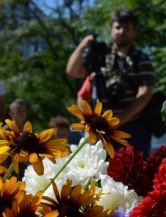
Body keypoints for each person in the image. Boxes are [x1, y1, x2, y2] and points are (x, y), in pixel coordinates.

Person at [66, 9, 155, 156]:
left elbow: (145, 93)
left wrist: (121, 118)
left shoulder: (141, 58)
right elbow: (73, 71)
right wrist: (83, 45)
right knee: (101, 173)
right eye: (118, 27)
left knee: (135, 173)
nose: (122, 32)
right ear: (111, 30)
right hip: (101, 127)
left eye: (126, 28)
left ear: (134, 32)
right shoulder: (100, 55)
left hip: (133, 126)